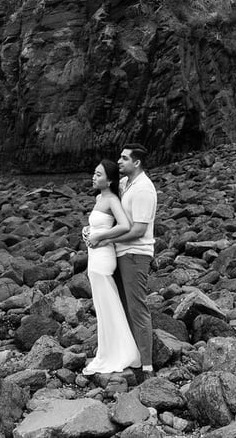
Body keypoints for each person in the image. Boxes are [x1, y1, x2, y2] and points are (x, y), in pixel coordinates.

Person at [96, 143, 157, 381]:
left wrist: (105, 237)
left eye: (124, 158)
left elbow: (139, 230)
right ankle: (130, 355)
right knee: (121, 305)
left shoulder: (144, 189)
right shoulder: (124, 184)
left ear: (137, 163)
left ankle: (147, 367)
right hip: (121, 253)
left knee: (136, 308)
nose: (119, 161)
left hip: (135, 254)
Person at [81, 159, 141, 375]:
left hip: (104, 257)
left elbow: (125, 225)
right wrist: (90, 231)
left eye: (98, 174)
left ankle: (120, 353)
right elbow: (100, 225)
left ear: (109, 180)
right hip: (94, 255)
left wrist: (103, 236)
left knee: (108, 304)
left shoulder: (112, 200)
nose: (94, 177)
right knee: (101, 306)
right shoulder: (99, 198)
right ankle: (107, 350)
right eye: (94, 173)